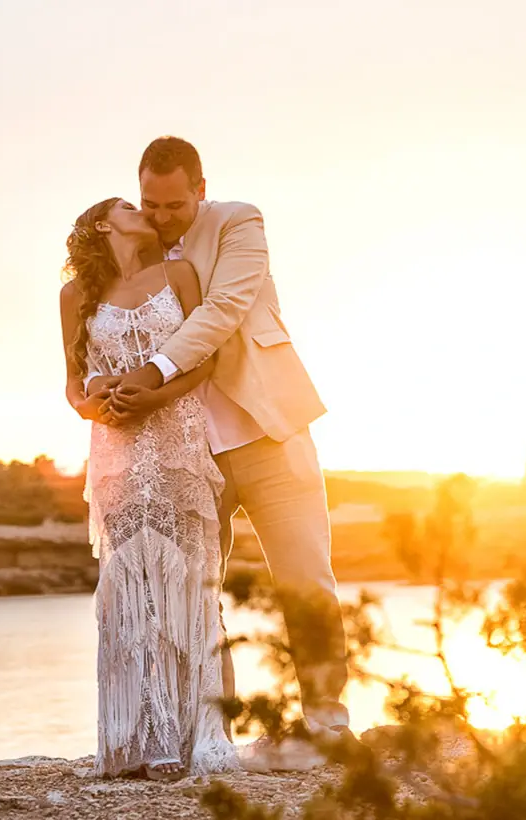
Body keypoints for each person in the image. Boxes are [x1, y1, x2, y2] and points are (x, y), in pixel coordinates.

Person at [84, 137, 352, 753]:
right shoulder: (135, 255)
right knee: (197, 597)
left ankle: (327, 726)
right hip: (185, 452)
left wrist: (152, 370)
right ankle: (213, 736)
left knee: (307, 580)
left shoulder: (239, 221)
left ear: (199, 189)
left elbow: (225, 308)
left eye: (174, 205)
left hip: (267, 432)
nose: (160, 217)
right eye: (150, 203)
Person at [60, 197, 237, 779]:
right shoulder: (75, 296)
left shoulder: (179, 274)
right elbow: (72, 384)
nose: (144, 211)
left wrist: (156, 396)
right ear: (104, 224)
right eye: (129, 206)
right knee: (131, 591)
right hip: (117, 452)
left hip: (179, 439)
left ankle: (194, 739)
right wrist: (98, 407)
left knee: (188, 583)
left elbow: (204, 359)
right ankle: (138, 740)